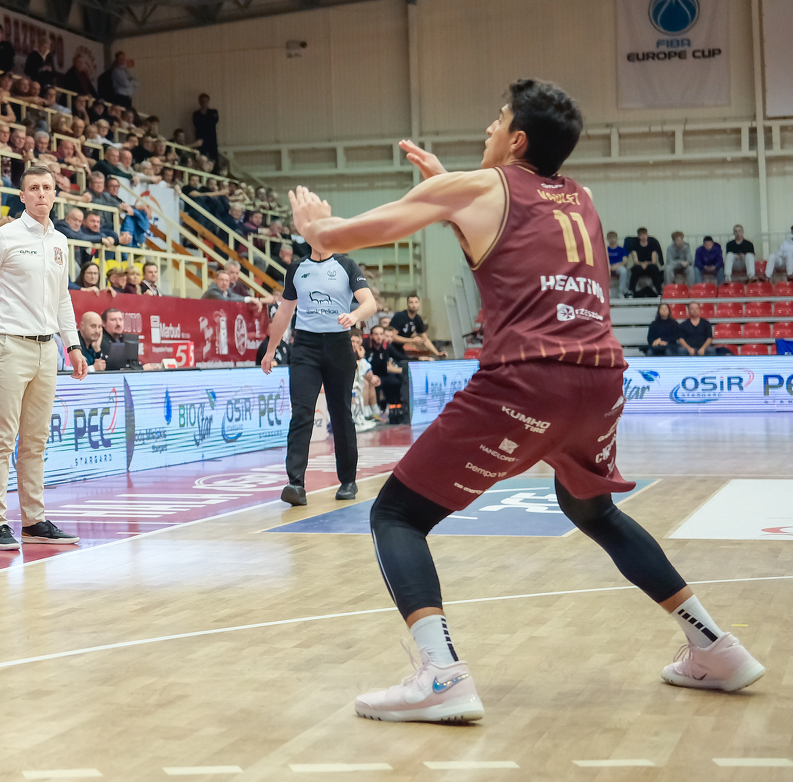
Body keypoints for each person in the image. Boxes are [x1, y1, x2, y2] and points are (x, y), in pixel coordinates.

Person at [284, 77, 763, 723]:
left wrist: (316, 226)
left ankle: (441, 675)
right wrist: (447, 188)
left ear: (517, 140)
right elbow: (512, 238)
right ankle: (716, 647)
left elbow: (343, 238)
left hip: (529, 378)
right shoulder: (581, 198)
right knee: (593, 511)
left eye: (498, 119)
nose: (488, 127)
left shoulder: (481, 187)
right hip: (602, 379)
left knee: (396, 514)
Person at [0, 164, 88, 550]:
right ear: (23, 196)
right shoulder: (3, 236)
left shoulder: (60, 241)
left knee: (36, 440)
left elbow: (63, 298)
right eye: (34, 188)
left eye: (47, 187)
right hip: (9, 344)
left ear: (55, 194)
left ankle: (34, 520)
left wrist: (73, 345)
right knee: (2, 436)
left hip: (48, 349)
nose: (42, 193)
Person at [260, 240, 377, 505]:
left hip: (339, 345)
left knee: (340, 413)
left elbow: (369, 303)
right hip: (305, 347)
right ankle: (295, 483)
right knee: (301, 413)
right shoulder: (297, 268)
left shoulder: (346, 265)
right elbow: (285, 311)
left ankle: (348, 480)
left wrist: (354, 315)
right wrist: (271, 350)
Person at [388, 295, 443, 359]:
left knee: (407, 361)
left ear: (419, 304)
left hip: (400, 348)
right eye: (411, 302)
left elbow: (424, 339)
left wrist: (437, 353)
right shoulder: (400, 316)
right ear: (407, 304)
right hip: (389, 346)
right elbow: (392, 337)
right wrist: (412, 340)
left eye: (416, 302)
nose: (414, 305)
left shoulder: (418, 319)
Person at [624, 226, 664, 298]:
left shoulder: (652, 245)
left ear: (647, 235)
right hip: (639, 265)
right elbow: (635, 261)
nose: (643, 237)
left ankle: (659, 291)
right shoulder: (635, 245)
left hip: (650, 265)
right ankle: (631, 291)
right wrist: (642, 264)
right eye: (641, 235)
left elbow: (654, 261)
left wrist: (646, 264)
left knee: (654, 268)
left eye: (644, 234)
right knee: (635, 269)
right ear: (638, 236)